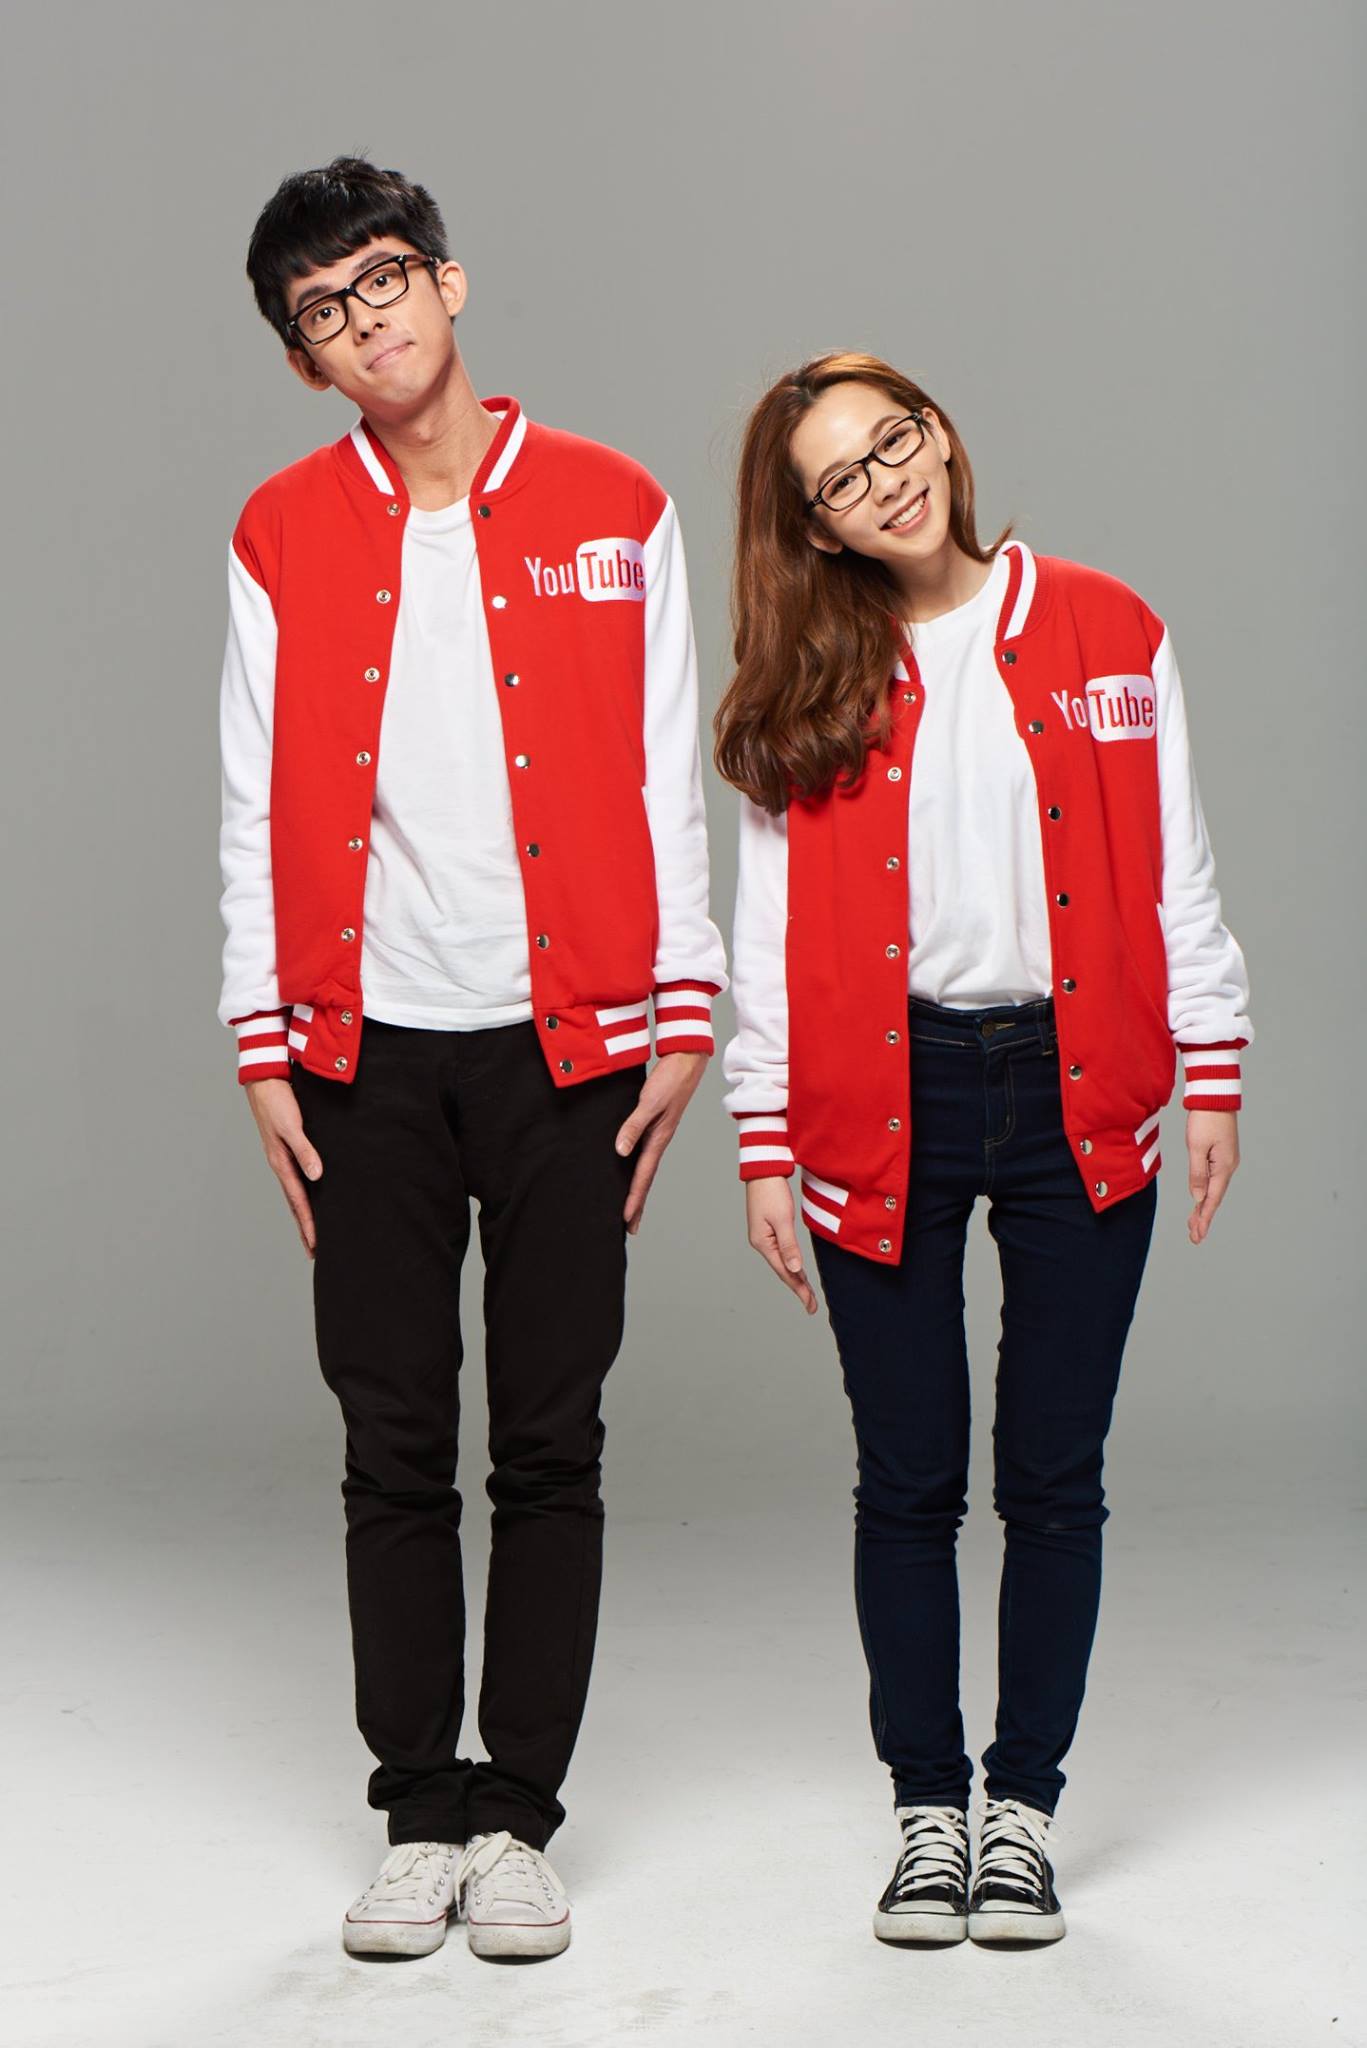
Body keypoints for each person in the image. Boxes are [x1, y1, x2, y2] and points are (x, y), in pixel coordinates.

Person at [217, 157, 726, 1961]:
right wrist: (260, 1041)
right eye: (322, 313)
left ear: (447, 280)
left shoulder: (615, 502)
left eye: (380, 280)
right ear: (305, 360)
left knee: (551, 1435)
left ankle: (519, 1816)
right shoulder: (280, 530)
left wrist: (686, 1008)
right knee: (391, 1438)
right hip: (361, 1053)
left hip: (573, 1049)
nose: (363, 323)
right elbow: (252, 792)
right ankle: (417, 1812)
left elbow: (668, 769)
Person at [715, 353, 1250, 1948]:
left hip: (1079, 1081)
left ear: (941, 435)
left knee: (1056, 1474)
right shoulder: (803, 682)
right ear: (815, 526)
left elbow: (1176, 863)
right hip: (884, 1092)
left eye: (896, 440)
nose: (886, 480)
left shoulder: (1106, 624)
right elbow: (766, 931)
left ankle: (1022, 1812)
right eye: (842, 477)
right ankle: (925, 1813)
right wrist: (761, 1139)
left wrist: (1212, 1066)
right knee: (908, 1479)